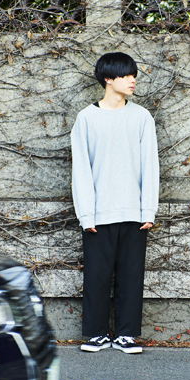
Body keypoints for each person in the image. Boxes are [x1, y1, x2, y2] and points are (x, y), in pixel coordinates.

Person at [70, 52, 159, 354]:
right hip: (98, 214)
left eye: (134, 75)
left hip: (134, 213)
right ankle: (96, 334)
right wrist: (86, 214)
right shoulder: (86, 118)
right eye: (126, 75)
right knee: (97, 276)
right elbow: (81, 169)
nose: (132, 80)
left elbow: (150, 166)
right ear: (108, 79)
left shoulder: (141, 117)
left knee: (131, 276)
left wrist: (148, 210)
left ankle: (126, 335)